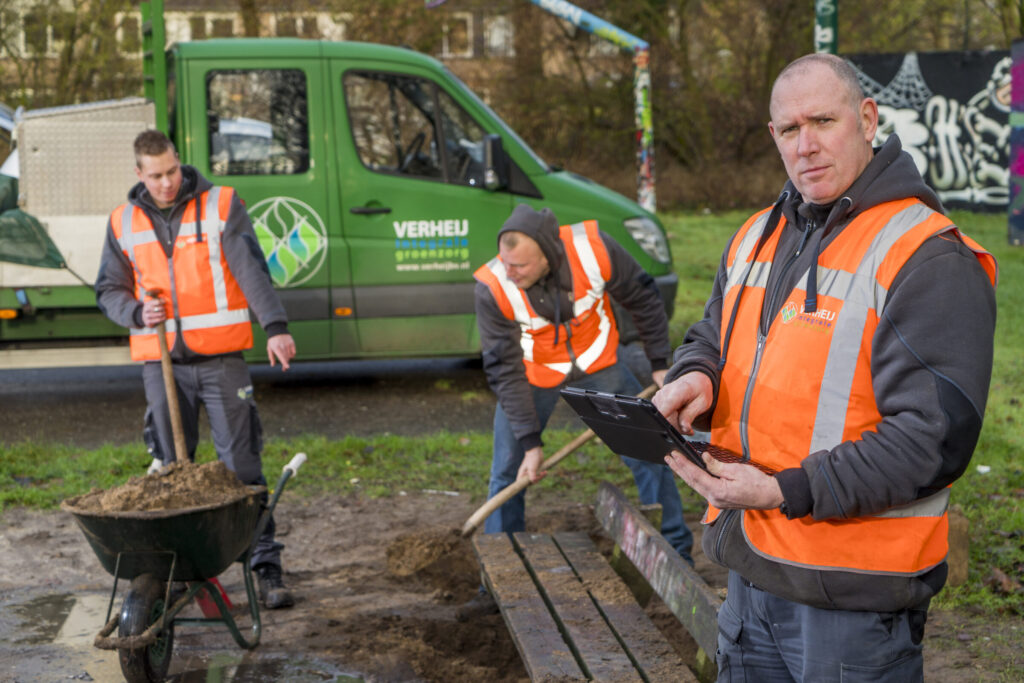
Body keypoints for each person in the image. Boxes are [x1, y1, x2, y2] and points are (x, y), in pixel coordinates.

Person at [653, 54, 997, 682]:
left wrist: (785, 490)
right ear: (772, 137)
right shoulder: (759, 233)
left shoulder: (926, 255)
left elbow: (931, 440)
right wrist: (696, 372)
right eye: (789, 129)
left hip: (851, 596)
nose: (805, 146)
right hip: (752, 568)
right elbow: (713, 333)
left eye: (822, 121)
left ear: (867, 119)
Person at [458, 203, 694, 620]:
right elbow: (504, 369)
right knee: (508, 469)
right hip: (533, 373)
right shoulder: (491, 286)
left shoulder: (594, 249)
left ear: (549, 254)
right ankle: (498, 579)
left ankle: (676, 559)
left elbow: (643, 295)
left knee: (648, 450)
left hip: (599, 362)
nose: (510, 271)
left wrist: (660, 363)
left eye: (521, 265)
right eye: (506, 263)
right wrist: (531, 443)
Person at [95, 130, 298, 609]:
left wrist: (275, 326)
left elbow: (251, 269)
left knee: (242, 468)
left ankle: (264, 564)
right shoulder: (122, 221)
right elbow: (108, 289)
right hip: (160, 362)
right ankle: (183, 571)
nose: (168, 183)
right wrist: (134, 312)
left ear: (179, 162)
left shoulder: (219, 204)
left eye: (173, 171)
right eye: (156, 175)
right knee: (172, 470)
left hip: (221, 359)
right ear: (139, 174)